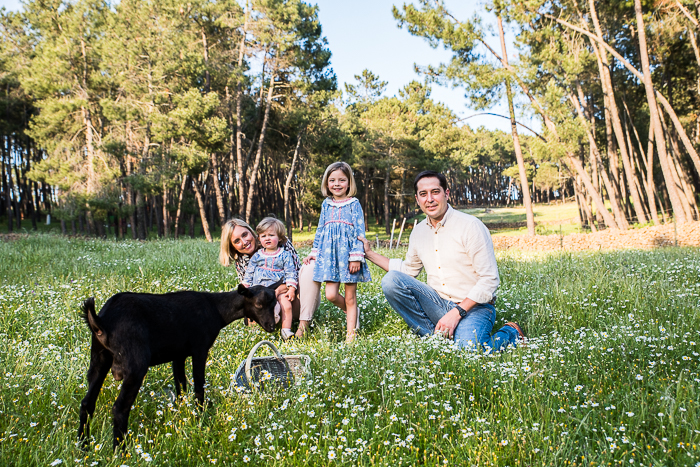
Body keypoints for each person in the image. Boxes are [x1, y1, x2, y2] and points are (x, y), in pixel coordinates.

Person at [358, 170, 525, 352]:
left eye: (435, 192)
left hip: (474, 307)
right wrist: (369, 253)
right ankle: (438, 339)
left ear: (446, 193)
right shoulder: (418, 232)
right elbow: (407, 271)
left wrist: (457, 313)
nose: (429, 199)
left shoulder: (470, 226)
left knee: (468, 351)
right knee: (391, 280)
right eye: (423, 194)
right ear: (417, 199)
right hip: (437, 303)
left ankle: (511, 333)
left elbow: (489, 280)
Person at [304, 161, 371, 343]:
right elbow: (320, 230)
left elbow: (360, 232)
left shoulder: (354, 204)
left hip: (349, 258)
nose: (337, 184)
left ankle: (351, 336)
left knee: (350, 297)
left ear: (349, 183)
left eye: (342, 180)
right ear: (327, 183)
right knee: (331, 294)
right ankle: (353, 312)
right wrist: (314, 252)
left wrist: (356, 257)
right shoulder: (326, 204)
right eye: (332, 180)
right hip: (330, 257)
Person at [219, 218, 320, 338]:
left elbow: (296, 274)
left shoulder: (280, 242)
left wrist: (278, 291)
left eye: (245, 234)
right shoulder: (241, 261)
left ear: (251, 232)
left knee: (311, 267)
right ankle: (279, 326)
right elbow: (249, 290)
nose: (244, 242)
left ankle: (303, 327)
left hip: (295, 299)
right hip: (269, 308)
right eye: (237, 241)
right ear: (232, 247)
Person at [241, 218, 298, 340]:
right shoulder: (257, 256)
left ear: (280, 237)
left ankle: (286, 330)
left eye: (271, 235)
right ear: (259, 239)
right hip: (260, 290)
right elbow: (249, 273)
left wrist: (291, 289)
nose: (267, 238)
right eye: (263, 236)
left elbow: (290, 272)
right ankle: (255, 331)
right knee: (256, 307)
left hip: (278, 288)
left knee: (286, 305)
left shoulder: (285, 255)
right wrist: (245, 289)